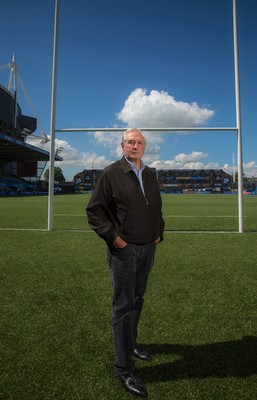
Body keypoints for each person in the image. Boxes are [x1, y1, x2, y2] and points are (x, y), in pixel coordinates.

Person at [86, 128, 164, 397]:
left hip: (147, 248)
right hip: (124, 250)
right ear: (122, 146)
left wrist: (158, 233)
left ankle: (130, 345)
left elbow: (156, 207)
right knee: (123, 306)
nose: (135, 145)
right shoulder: (110, 173)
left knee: (138, 298)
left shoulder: (151, 174)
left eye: (139, 142)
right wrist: (114, 238)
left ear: (145, 147)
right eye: (131, 141)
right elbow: (94, 211)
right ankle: (124, 369)